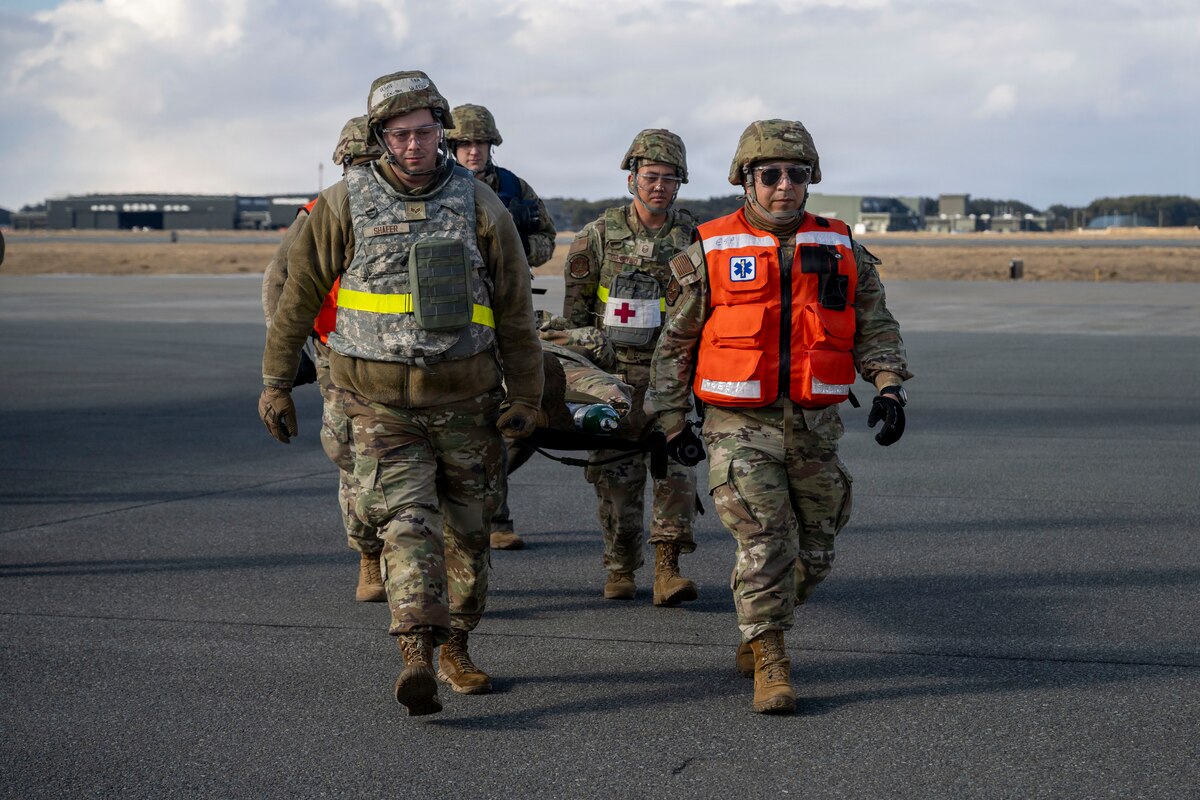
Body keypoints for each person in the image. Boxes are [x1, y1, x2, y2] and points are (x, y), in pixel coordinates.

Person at [257, 70, 543, 717]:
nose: (414, 145)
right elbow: (296, 297)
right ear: (380, 138)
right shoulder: (343, 204)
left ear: (441, 129)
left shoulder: (480, 204)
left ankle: (456, 646)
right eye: (400, 135)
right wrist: (276, 383)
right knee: (407, 522)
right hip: (378, 403)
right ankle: (416, 651)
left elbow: (516, 310)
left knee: (469, 537)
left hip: (466, 402)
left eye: (424, 132)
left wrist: (527, 396)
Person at [647, 119, 912, 715]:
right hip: (738, 426)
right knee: (765, 538)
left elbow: (875, 326)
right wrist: (671, 421)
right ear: (746, 181)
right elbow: (676, 343)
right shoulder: (711, 249)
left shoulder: (841, 246)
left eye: (797, 174)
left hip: (815, 426)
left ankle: (757, 622)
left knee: (815, 550)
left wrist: (889, 388)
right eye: (770, 175)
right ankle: (771, 657)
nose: (784, 186)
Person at [562, 129, 700, 607]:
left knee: (677, 475)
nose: (659, 186)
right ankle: (620, 567)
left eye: (669, 178)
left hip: (671, 381)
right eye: (650, 177)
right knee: (617, 484)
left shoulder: (694, 239)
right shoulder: (597, 236)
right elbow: (574, 320)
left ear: (680, 183)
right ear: (631, 179)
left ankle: (668, 570)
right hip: (614, 381)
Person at [261, 116, 388, 603]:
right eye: (357, 163)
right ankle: (369, 555)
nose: (364, 171)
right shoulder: (319, 212)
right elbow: (278, 280)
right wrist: (289, 354)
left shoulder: (420, 207)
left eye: (372, 161)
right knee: (351, 455)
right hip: (338, 354)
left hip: (408, 355)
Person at [446, 103, 557, 551]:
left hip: (508, 312)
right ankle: (486, 514)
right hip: (456, 319)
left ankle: (490, 505)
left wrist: (512, 250)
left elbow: (546, 238)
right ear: (451, 145)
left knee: (525, 413)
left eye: (480, 143)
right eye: (464, 143)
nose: (473, 151)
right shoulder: (438, 187)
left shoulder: (515, 189)